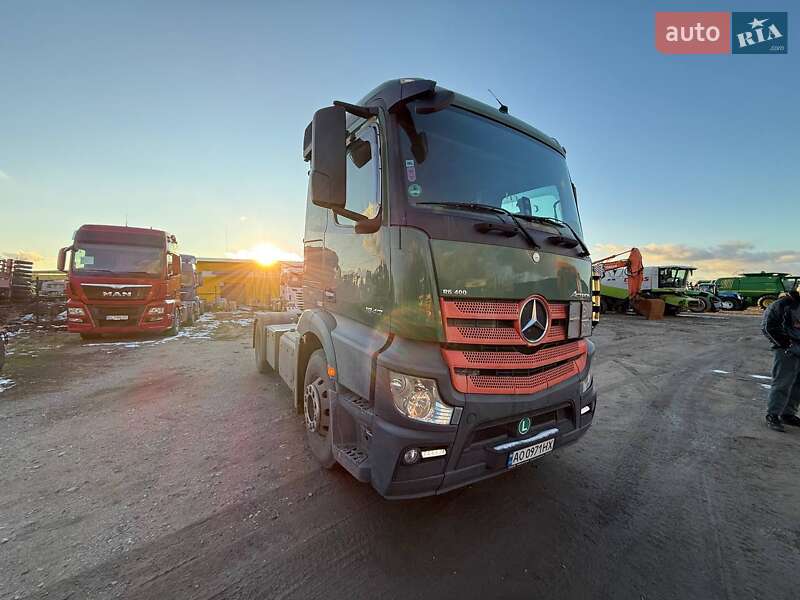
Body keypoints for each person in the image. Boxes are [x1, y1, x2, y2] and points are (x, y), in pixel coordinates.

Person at [761, 290, 800, 431]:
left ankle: (788, 414)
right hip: (787, 350)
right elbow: (768, 326)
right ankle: (773, 414)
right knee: (782, 383)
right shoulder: (783, 304)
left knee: (798, 385)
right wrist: (785, 344)